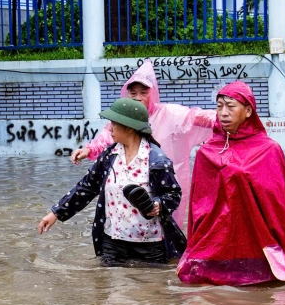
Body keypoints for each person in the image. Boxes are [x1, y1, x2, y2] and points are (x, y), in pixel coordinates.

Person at [177, 81, 285, 285]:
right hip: (216, 241)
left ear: (248, 111)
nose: (223, 113)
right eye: (219, 106)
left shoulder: (268, 151)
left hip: (256, 242)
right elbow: (198, 209)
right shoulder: (206, 153)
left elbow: (280, 209)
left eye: (230, 106)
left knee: (266, 294)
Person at [39, 98, 186, 265]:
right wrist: (56, 213)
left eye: (114, 123)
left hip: (149, 244)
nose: (109, 128)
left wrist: (159, 204)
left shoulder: (157, 160)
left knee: (149, 288)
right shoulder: (109, 156)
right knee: (108, 288)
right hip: (112, 241)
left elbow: (173, 194)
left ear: (130, 128)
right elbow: (87, 187)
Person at [72, 60, 214, 229]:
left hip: (162, 183)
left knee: (164, 229)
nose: (138, 98)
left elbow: (196, 117)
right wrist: (88, 150)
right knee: (129, 225)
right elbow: (105, 138)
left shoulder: (169, 114)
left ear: (152, 94)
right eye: (133, 93)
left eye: (143, 93)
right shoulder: (121, 119)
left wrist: (227, 120)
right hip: (132, 185)